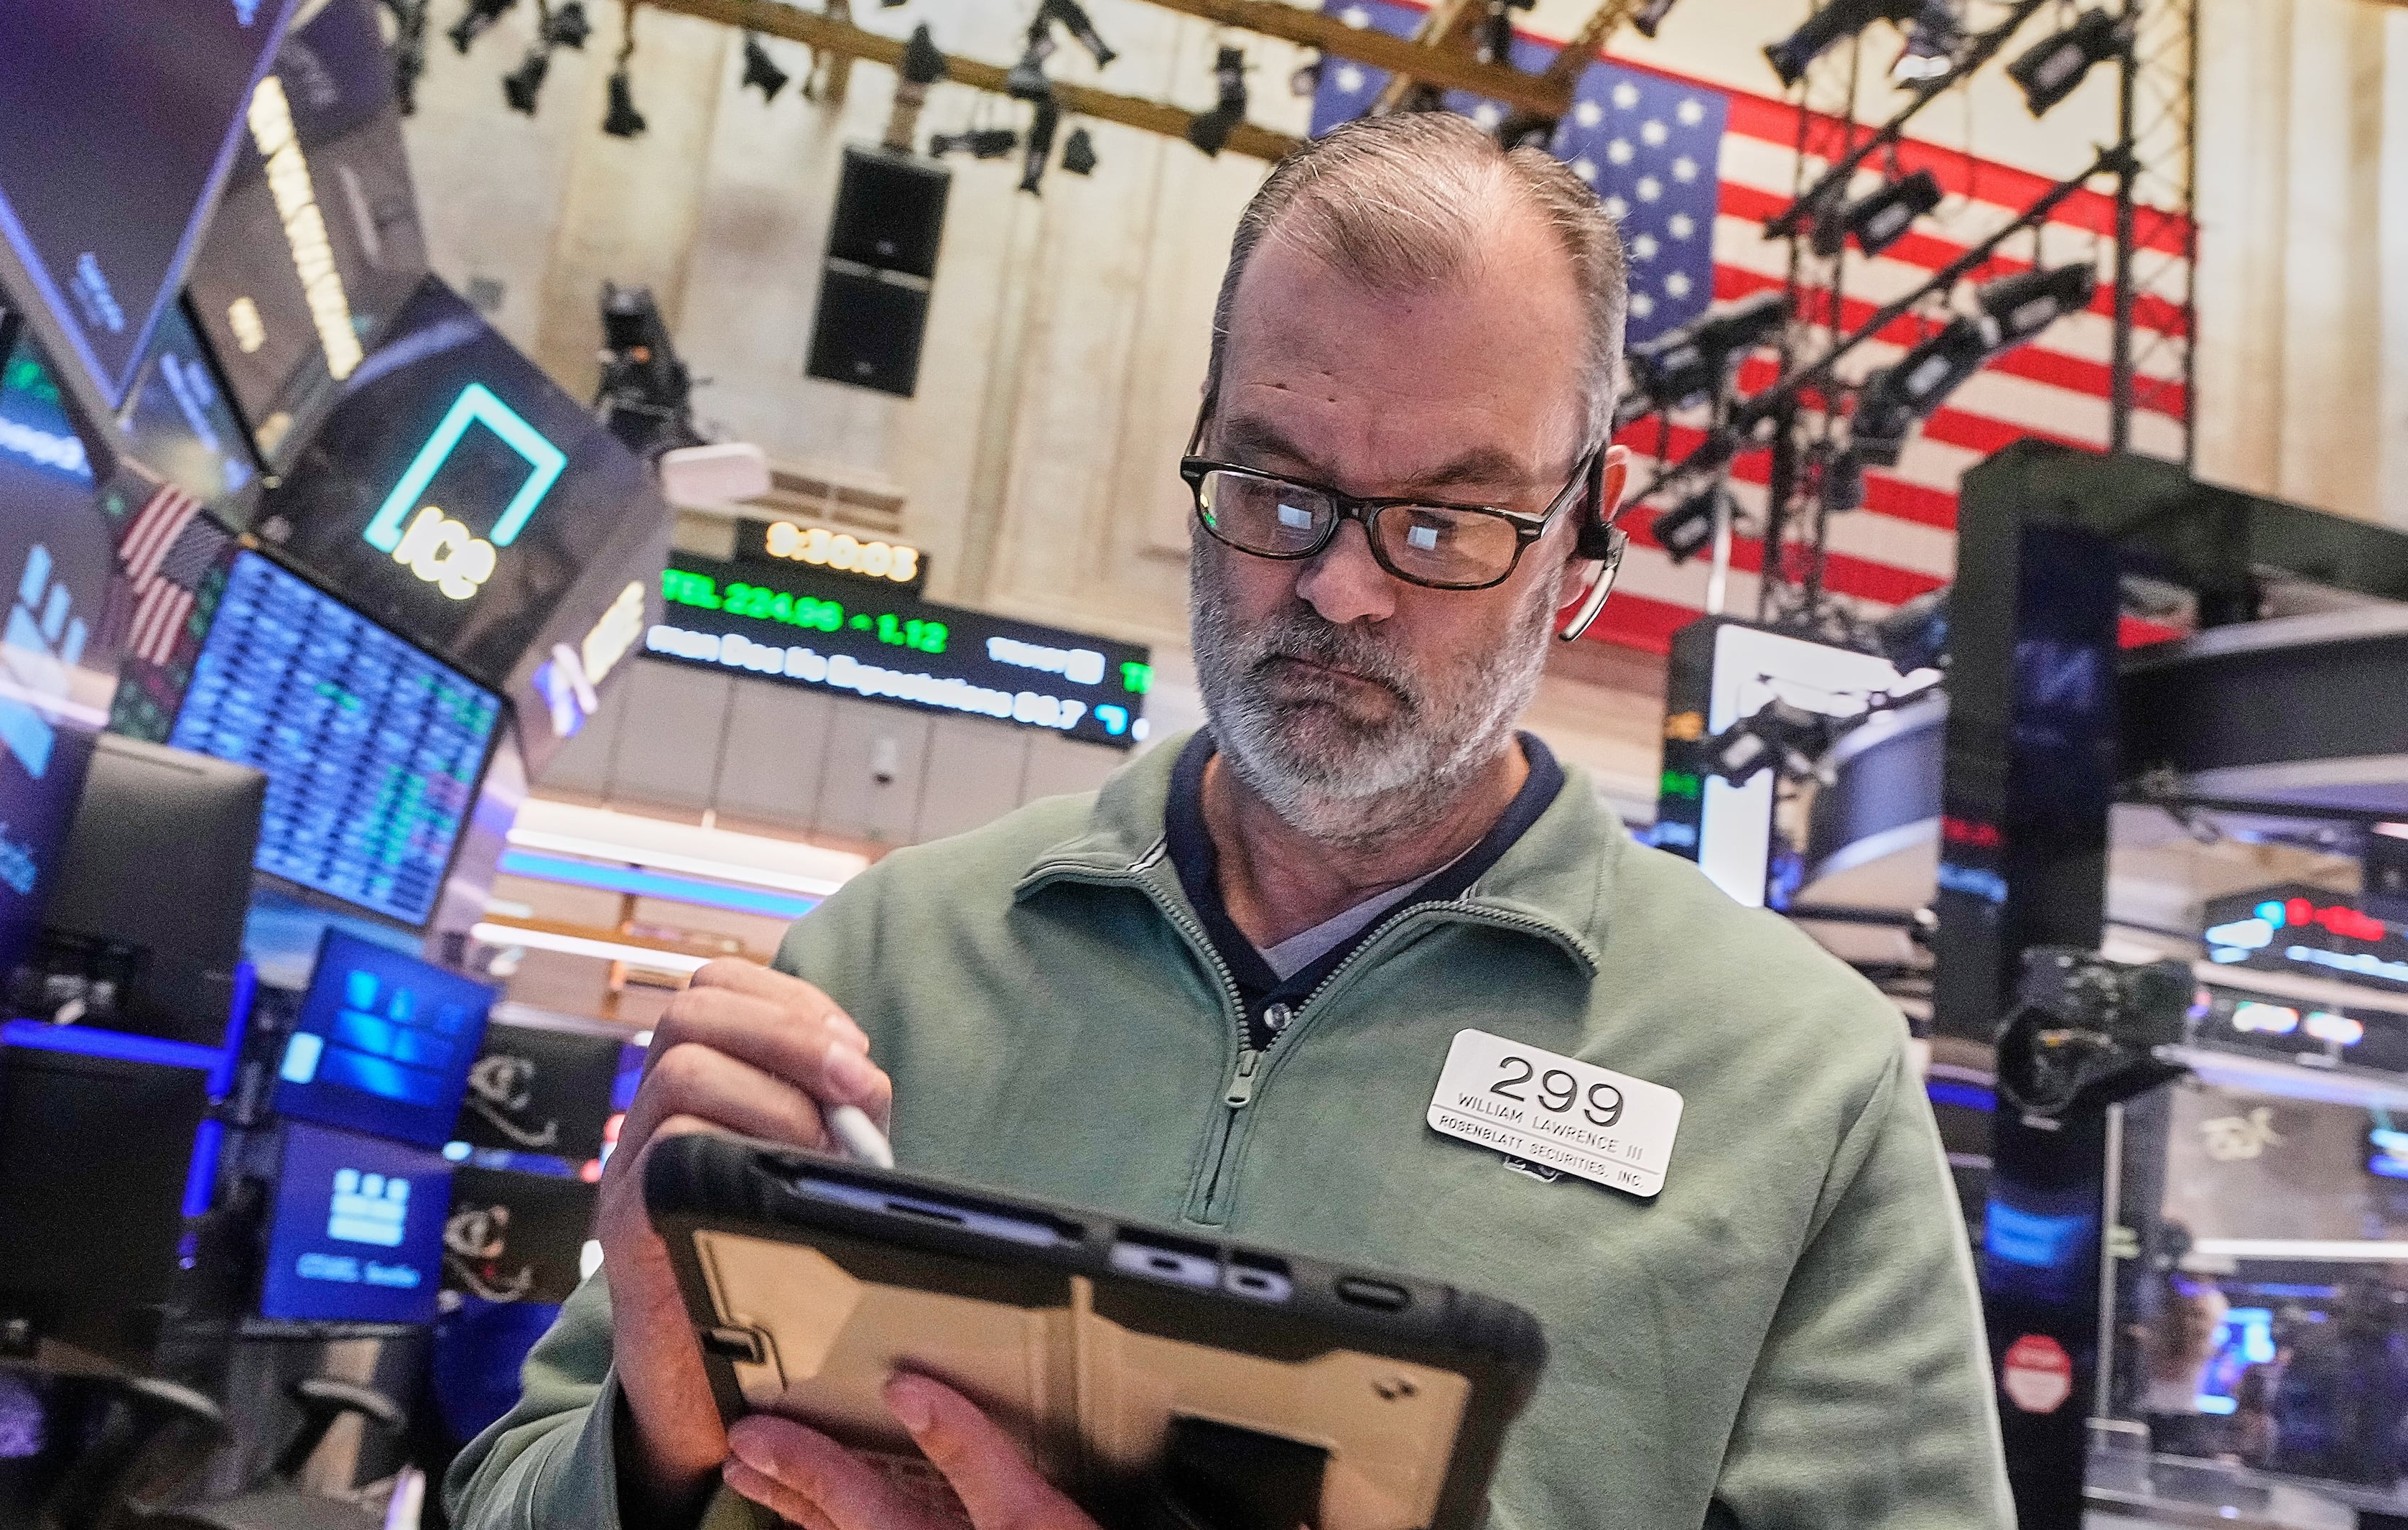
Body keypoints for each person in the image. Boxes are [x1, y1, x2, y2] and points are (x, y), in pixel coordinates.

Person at [450, 112, 2010, 1530]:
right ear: (1204, 441)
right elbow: (511, 1503)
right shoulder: (887, 959)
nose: (1341, 586)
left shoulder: (1800, 1086)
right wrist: (656, 1437)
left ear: (1587, 530)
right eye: (1275, 488)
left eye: (1444, 520)